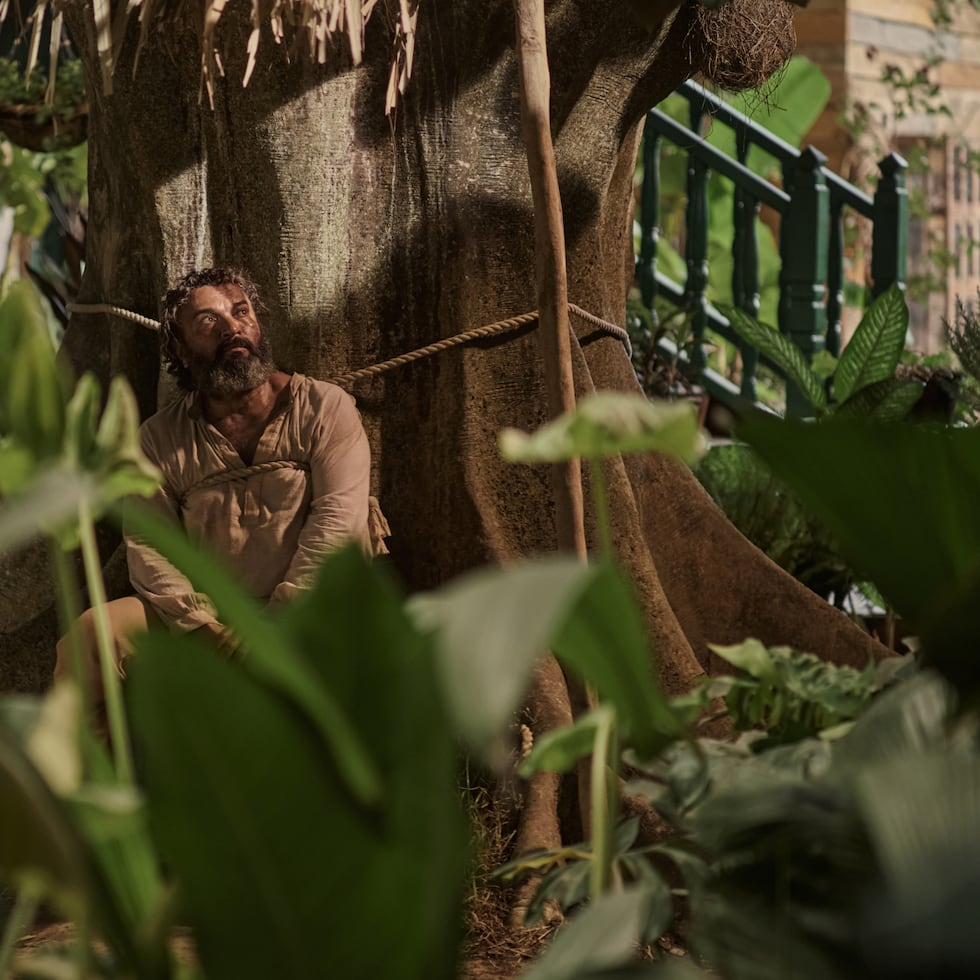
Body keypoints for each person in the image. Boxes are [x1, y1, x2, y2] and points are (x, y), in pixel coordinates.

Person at [54, 267, 372, 701]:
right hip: (207, 619)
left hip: (313, 608)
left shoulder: (323, 409)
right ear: (180, 351)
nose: (232, 328)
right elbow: (151, 547)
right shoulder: (158, 438)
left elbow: (337, 529)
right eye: (209, 322)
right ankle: (89, 767)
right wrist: (203, 629)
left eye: (241, 313)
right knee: (91, 637)